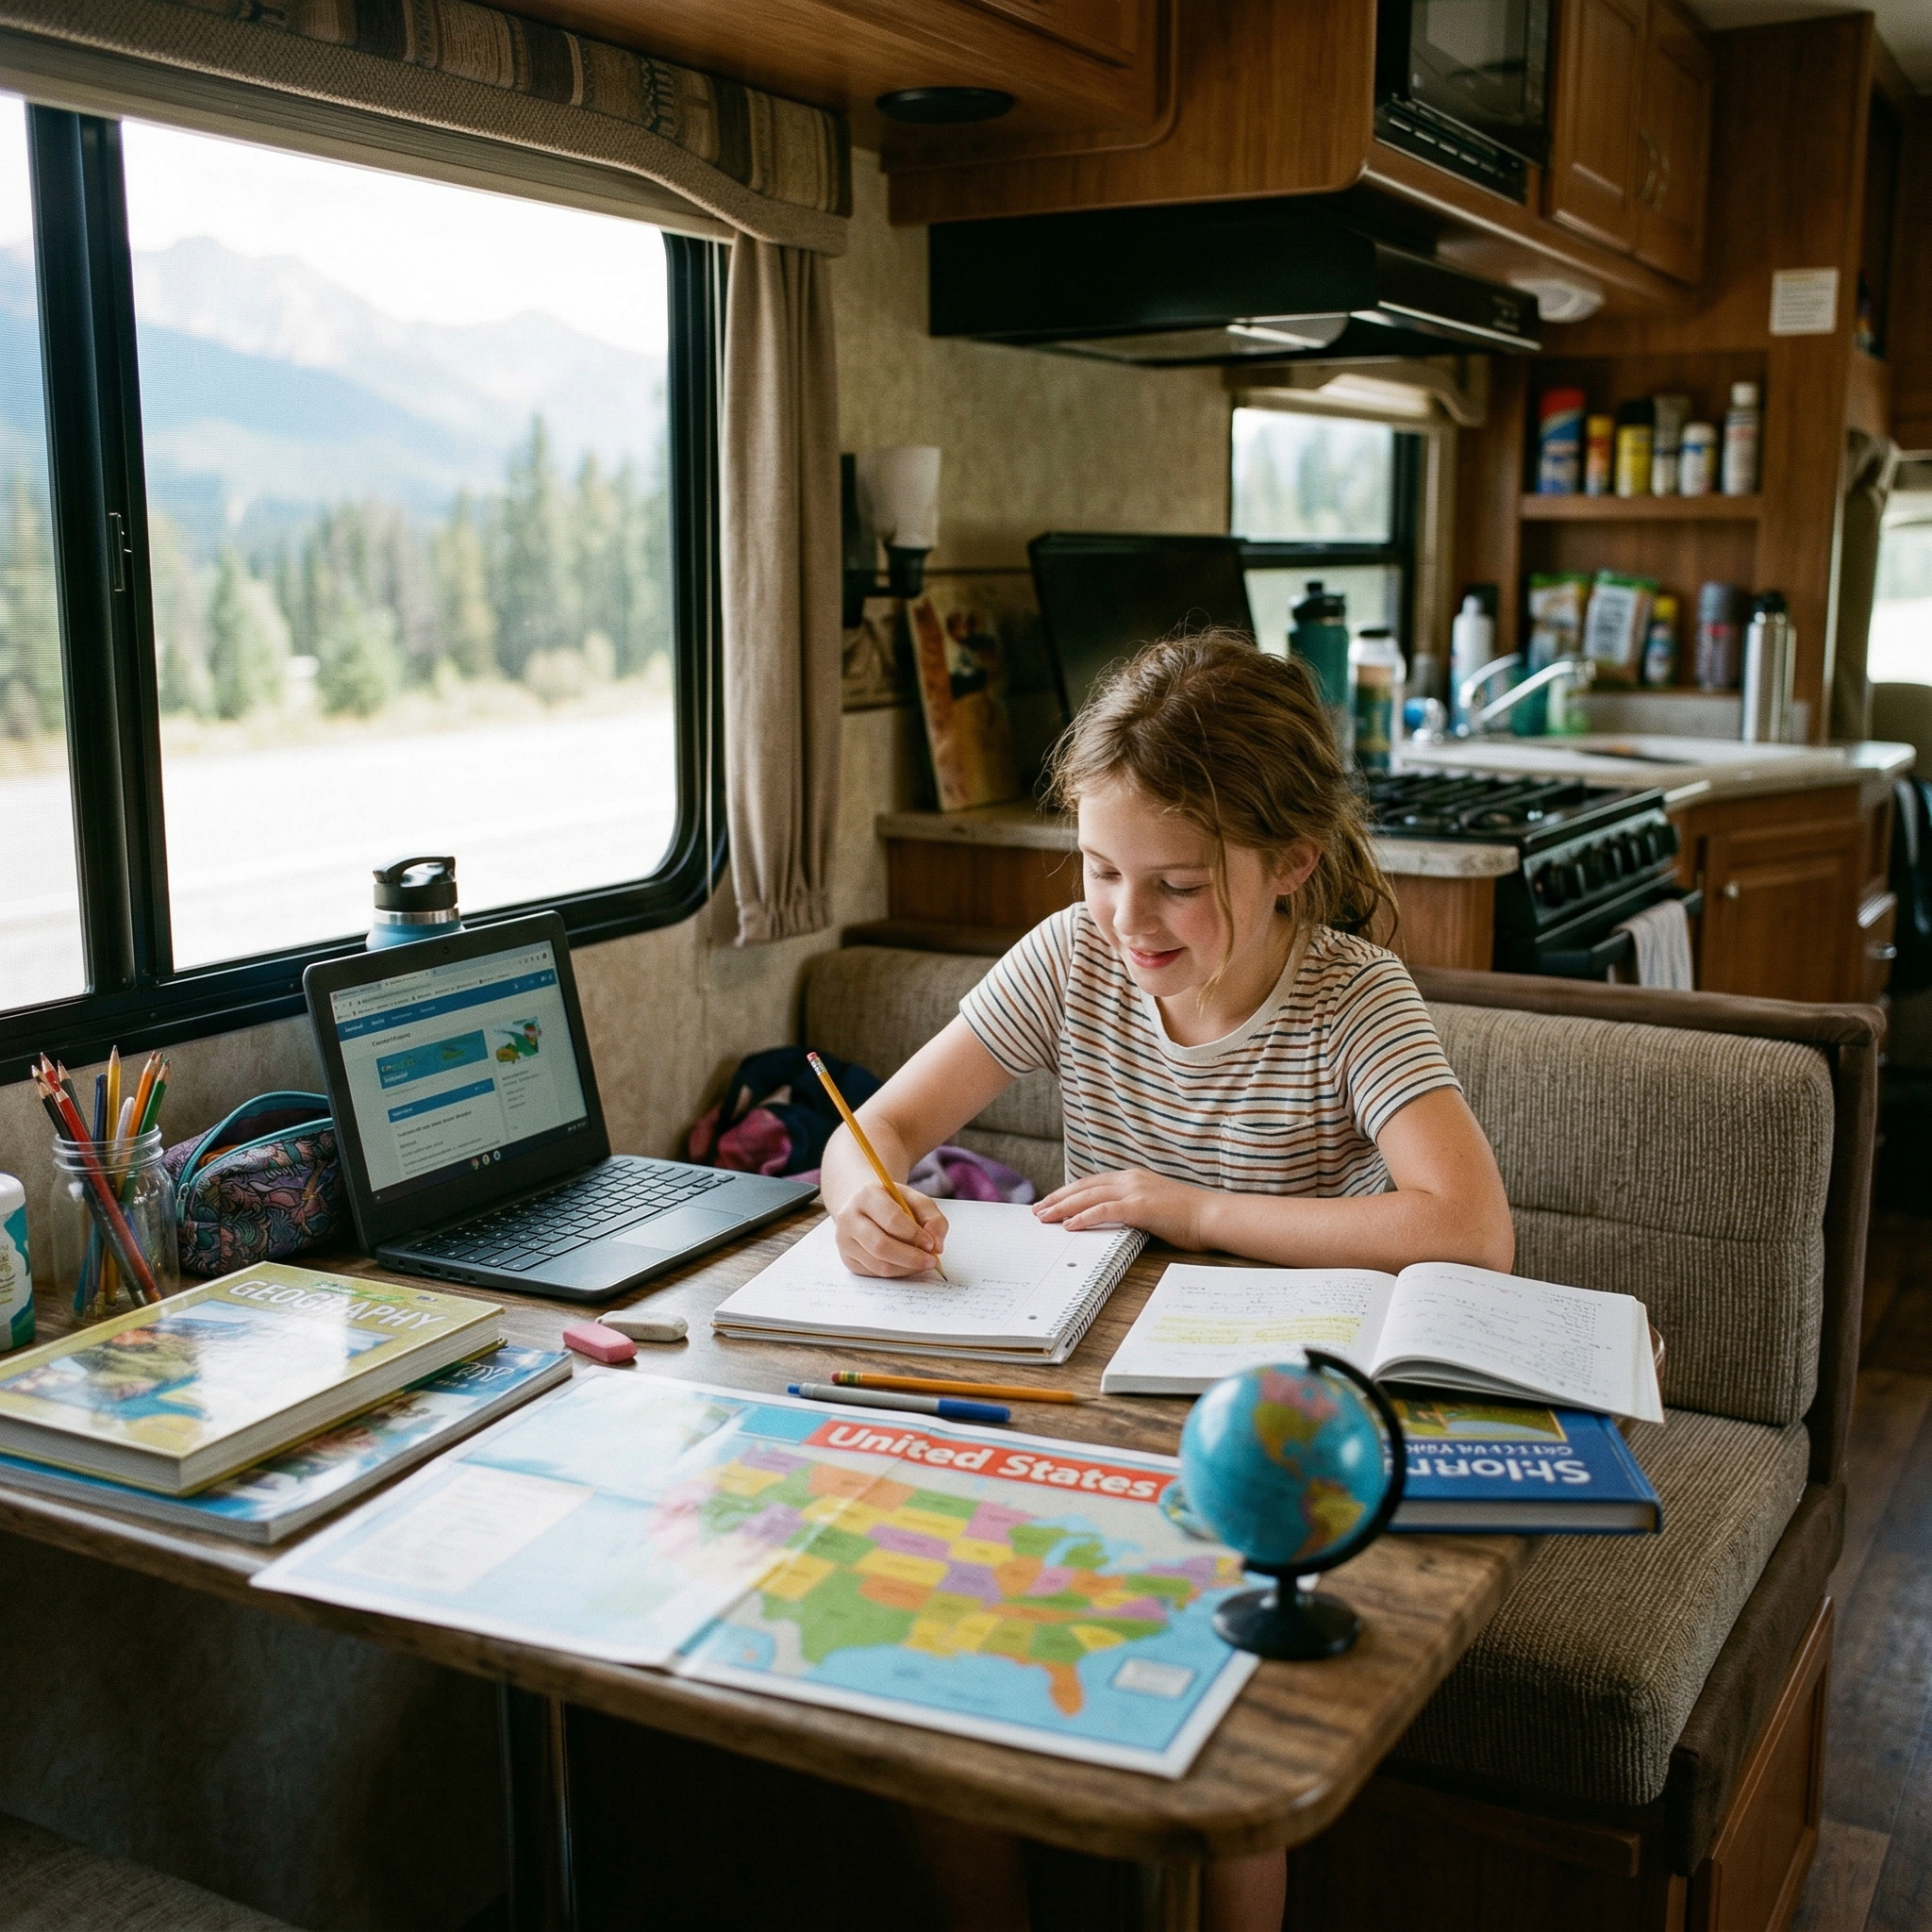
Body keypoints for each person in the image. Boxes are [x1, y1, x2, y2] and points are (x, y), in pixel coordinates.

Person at [820, 631, 1515, 1932]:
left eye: (1179, 886)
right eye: (1099, 870)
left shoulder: (1350, 997)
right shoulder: (1074, 959)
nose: (1129, 920)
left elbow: (1472, 1231)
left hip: (1282, 1407)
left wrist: (1187, 1206)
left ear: (1291, 861)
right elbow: (873, 1135)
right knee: (928, 1641)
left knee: (1229, 1696)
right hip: (1092, 1392)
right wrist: (864, 1202)